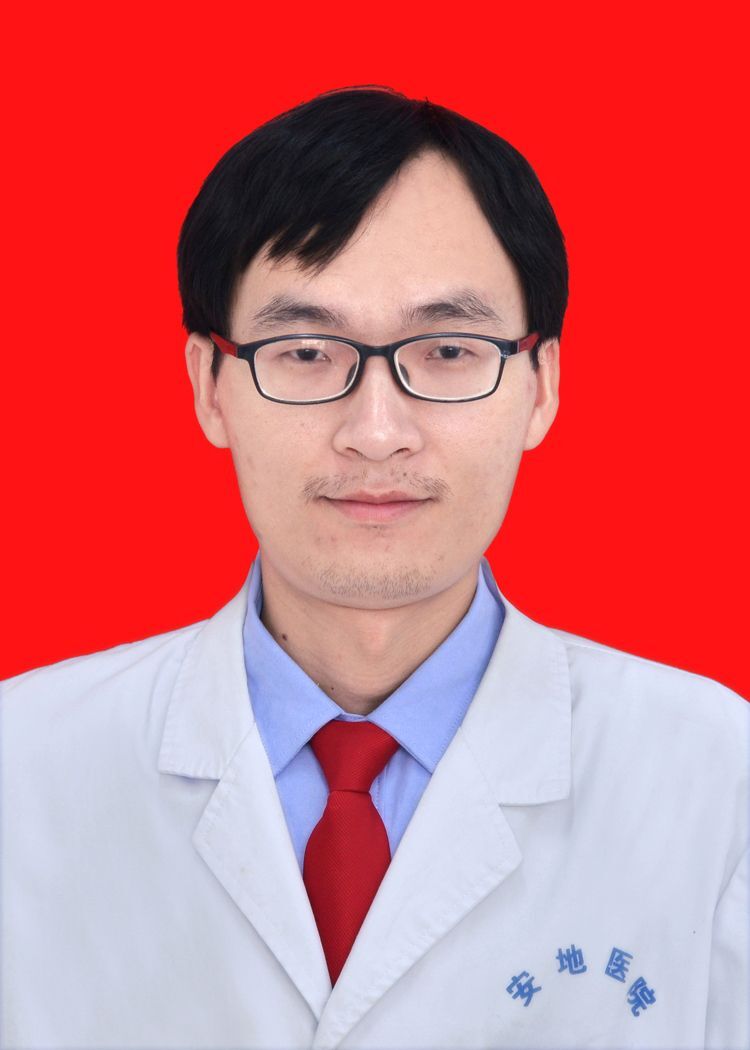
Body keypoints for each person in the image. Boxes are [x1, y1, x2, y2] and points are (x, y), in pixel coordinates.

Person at [1, 86, 747, 1050]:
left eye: (447, 349)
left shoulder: (716, 780)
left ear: (541, 387)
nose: (377, 432)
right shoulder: (24, 769)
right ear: (210, 387)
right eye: (308, 352)